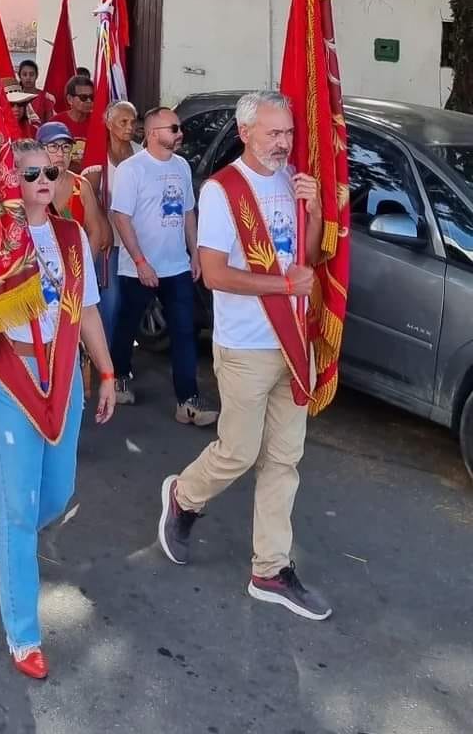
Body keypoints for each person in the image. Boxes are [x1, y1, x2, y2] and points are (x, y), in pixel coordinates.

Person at [158, 91, 330, 620]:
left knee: (285, 458)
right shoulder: (221, 191)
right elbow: (213, 273)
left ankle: (270, 568)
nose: (284, 143)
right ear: (246, 132)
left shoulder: (292, 180)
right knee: (237, 451)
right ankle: (184, 496)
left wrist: (317, 207)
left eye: (288, 133)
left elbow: (307, 251)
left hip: (291, 342)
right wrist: (281, 287)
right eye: (274, 133)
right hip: (245, 345)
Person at [0, 139, 116, 679]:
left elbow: (91, 310)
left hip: (63, 375)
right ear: (11, 177)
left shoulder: (71, 235)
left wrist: (105, 372)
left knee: (55, 494)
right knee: (16, 513)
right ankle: (23, 635)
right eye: (30, 172)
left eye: (51, 172)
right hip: (6, 377)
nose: (43, 181)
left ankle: (0, 540)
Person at [109, 107, 217, 425]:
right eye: (173, 128)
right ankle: (118, 375)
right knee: (128, 324)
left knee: (184, 331)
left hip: (177, 267)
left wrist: (195, 252)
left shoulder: (182, 166)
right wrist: (140, 261)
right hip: (139, 268)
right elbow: (121, 217)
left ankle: (187, 400)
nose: (179, 132)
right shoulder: (133, 170)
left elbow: (187, 213)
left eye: (179, 127)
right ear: (154, 133)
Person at [83, 101, 142, 400]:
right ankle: (101, 364)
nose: (129, 128)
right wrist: (102, 225)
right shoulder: (97, 157)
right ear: (107, 123)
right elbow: (88, 195)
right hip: (110, 245)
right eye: (123, 122)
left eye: (132, 122)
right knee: (109, 303)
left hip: (138, 244)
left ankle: (119, 363)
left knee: (129, 306)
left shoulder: (141, 154)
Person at [36, 122, 110, 256]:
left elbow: (95, 232)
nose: (61, 154)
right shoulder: (28, 186)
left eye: (66, 147)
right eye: (53, 146)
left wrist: (85, 271)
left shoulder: (82, 186)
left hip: (74, 268)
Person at [50, 75, 94, 169]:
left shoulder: (98, 123)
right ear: (70, 99)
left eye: (92, 97)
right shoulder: (55, 124)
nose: (89, 101)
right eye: (83, 97)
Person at [17, 59, 55, 123]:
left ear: (36, 76)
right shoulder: (15, 97)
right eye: (24, 74)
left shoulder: (45, 97)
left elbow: (49, 124)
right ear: (19, 76)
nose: (28, 77)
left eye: (31, 74)